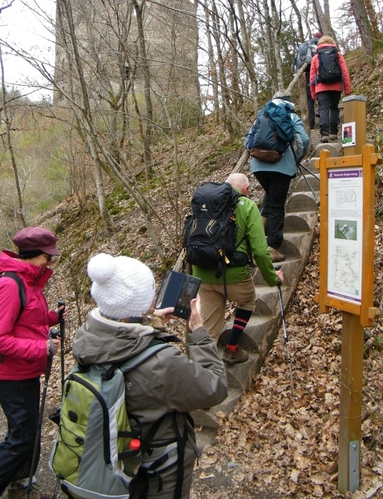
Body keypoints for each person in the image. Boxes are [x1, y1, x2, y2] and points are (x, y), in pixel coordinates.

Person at [71, 252, 228, 499]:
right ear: (140, 302)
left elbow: (120, 339)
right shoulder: (161, 362)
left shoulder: (86, 337)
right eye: (152, 291)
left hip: (116, 461)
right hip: (159, 472)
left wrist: (148, 321)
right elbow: (215, 387)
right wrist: (198, 333)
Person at [0, 226, 66, 499]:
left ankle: (20, 480)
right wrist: (43, 346)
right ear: (31, 254)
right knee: (21, 436)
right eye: (47, 257)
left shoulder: (29, 282)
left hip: (26, 371)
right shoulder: (9, 285)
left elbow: (27, 320)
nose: (50, 262)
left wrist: (52, 316)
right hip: (9, 375)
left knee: (29, 430)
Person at [191, 173, 284, 365]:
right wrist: (272, 279)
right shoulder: (248, 206)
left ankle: (203, 376)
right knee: (248, 301)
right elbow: (259, 251)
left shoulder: (206, 203)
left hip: (203, 273)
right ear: (246, 189)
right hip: (234, 275)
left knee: (209, 330)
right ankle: (232, 346)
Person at [249, 93, 310, 263]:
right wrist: (296, 157)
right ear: (289, 102)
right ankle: (272, 247)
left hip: (258, 165)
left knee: (270, 196)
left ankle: (259, 238)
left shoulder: (262, 115)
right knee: (276, 204)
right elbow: (303, 140)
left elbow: (249, 139)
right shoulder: (290, 115)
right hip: (280, 166)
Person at [309, 35, 351, 143]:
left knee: (323, 109)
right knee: (334, 108)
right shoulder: (338, 55)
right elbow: (345, 73)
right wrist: (347, 89)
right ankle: (333, 132)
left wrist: (313, 94)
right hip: (336, 87)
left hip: (321, 88)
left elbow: (312, 77)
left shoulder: (315, 58)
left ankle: (324, 134)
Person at [305, 32, 323, 129]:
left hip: (308, 72)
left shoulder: (308, 44)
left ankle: (311, 122)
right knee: (321, 94)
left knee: (309, 99)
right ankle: (321, 115)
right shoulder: (321, 44)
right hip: (320, 72)